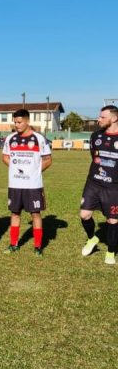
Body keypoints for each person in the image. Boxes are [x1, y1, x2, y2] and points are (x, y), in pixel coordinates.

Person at [2, 109, 52, 255]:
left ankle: (37, 246)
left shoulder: (39, 138)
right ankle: (13, 244)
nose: (16, 125)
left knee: (35, 214)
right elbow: (5, 157)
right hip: (15, 184)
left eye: (19, 122)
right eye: (15, 122)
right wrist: (15, 168)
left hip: (33, 185)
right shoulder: (11, 138)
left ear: (27, 121)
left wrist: (34, 171)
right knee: (15, 213)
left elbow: (48, 160)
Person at [80, 105, 118, 264]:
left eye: (102, 117)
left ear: (114, 118)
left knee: (112, 220)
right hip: (94, 182)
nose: (98, 119)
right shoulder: (95, 136)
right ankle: (92, 238)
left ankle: (110, 252)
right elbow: (94, 155)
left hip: (114, 187)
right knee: (84, 215)